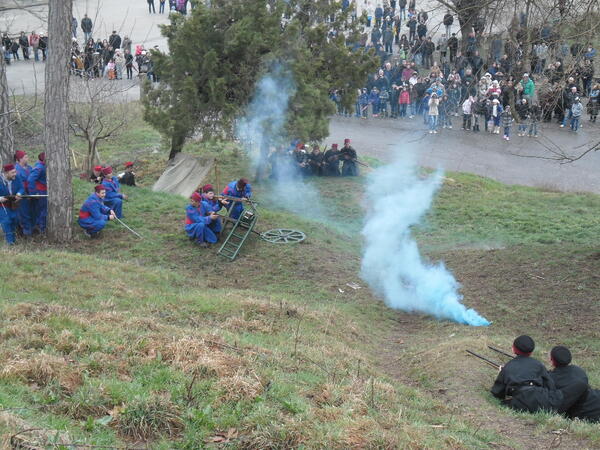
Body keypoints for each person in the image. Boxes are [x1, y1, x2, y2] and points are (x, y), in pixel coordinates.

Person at [491, 336, 585, 414]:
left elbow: (497, 392)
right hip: (541, 397)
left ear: (513, 349)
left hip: (520, 399)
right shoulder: (538, 364)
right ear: (531, 352)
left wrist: (502, 374)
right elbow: (550, 385)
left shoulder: (508, 366)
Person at [549, 346, 600, 423]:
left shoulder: (551, 379)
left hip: (587, 412)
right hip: (595, 398)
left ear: (552, 360)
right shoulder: (578, 370)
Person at [0, 164, 24, 245]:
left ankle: (13, 240)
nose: (15, 174)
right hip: (2, 205)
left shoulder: (16, 178)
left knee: (15, 220)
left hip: (14, 204)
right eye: (12, 172)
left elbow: (21, 187)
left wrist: (19, 193)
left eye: (15, 172)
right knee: (6, 222)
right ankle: (10, 242)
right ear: (6, 173)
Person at [27, 152, 47, 233]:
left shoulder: (43, 166)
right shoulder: (39, 167)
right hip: (41, 192)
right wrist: (34, 193)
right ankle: (41, 230)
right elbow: (30, 180)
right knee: (42, 211)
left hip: (44, 191)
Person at [14, 151, 33, 236]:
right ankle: (26, 234)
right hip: (22, 195)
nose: (27, 158)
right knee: (23, 214)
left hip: (31, 193)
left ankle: (31, 230)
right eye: (25, 157)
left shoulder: (29, 168)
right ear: (20, 159)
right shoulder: (16, 169)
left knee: (31, 212)